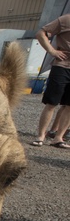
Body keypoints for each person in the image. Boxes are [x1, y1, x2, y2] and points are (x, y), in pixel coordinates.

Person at [31, 13, 70, 148]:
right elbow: (41, 33)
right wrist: (52, 51)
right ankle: (41, 136)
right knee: (52, 103)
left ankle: (58, 138)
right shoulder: (65, 20)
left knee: (69, 106)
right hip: (62, 67)